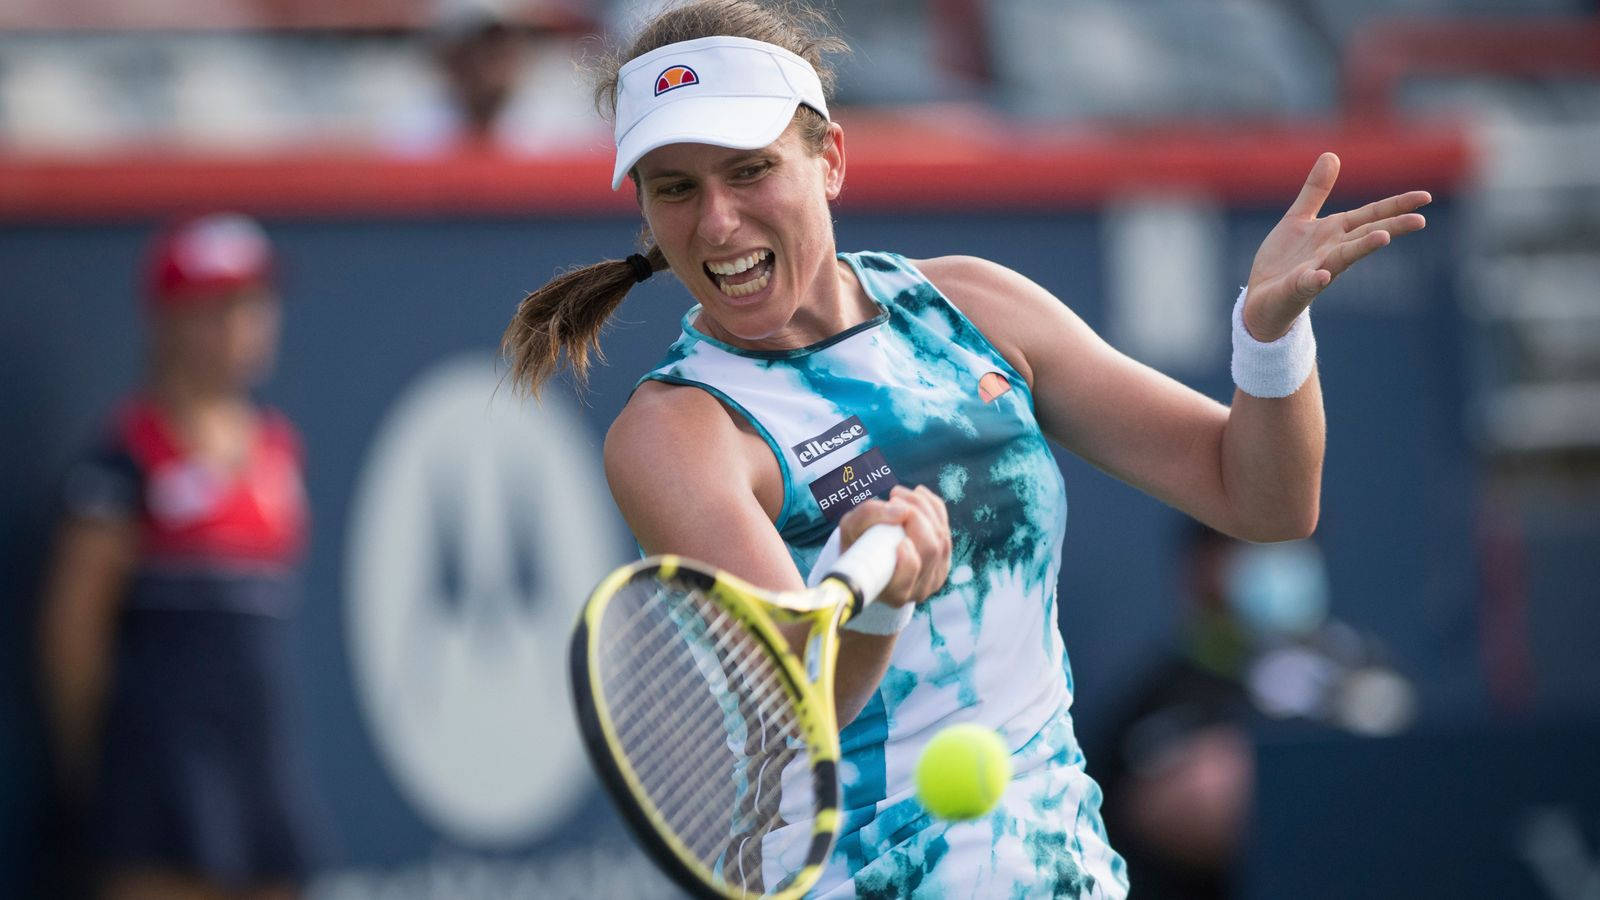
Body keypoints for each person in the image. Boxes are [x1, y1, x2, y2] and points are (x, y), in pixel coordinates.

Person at [499, 1, 1430, 895]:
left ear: (829, 159)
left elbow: (1263, 501)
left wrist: (1269, 342)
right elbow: (797, 708)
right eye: (676, 189)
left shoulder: (976, 307)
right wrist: (878, 607)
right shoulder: (679, 430)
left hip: (1063, 872)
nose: (717, 222)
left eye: (750, 170)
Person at [37, 213, 325, 900]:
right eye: (217, 308)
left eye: (254, 305)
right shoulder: (123, 459)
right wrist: (111, 774)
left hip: (258, 765)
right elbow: (72, 637)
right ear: (168, 320)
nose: (242, 326)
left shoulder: (279, 451)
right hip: (156, 782)